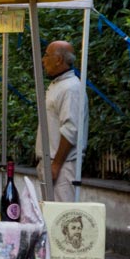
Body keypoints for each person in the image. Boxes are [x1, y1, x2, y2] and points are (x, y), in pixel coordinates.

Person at [41, 40, 85, 202]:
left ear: (59, 59)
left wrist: (56, 165)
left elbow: (71, 130)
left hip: (62, 165)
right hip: (51, 162)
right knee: (50, 215)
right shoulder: (58, 85)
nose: (43, 60)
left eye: (46, 55)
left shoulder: (71, 88)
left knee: (61, 217)